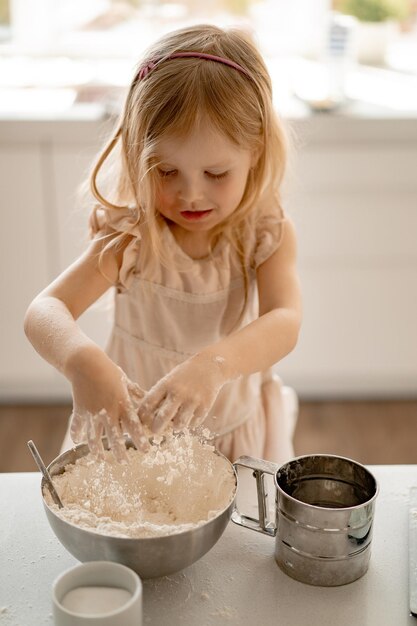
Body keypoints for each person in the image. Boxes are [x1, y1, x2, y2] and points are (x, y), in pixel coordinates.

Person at [24, 24, 302, 464]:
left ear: (257, 150)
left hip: (229, 434)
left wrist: (216, 366)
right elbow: (44, 311)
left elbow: (285, 319)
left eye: (215, 174)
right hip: (135, 437)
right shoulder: (130, 236)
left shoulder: (262, 232)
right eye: (166, 172)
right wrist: (81, 361)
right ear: (135, 154)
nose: (191, 194)